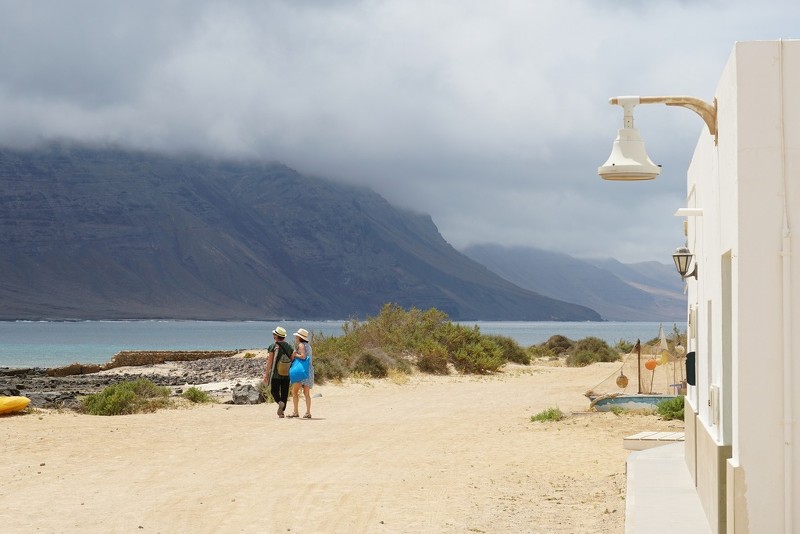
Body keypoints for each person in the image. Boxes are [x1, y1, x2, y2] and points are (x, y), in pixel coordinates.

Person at [264, 326, 293, 418]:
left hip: (275, 374)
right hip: (286, 374)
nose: (273, 335)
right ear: (283, 337)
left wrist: (266, 373)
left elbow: (270, 361)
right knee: (284, 393)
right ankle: (282, 412)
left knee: (274, 391)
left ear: (276, 336)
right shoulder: (288, 346)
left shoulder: (273, 347)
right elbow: (293, 359)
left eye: (274, 334)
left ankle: (280, 403)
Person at [287, 328, 314, 419]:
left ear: (299, 337)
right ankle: (308, 412)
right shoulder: (309, 346)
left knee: (294, 392)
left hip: (301, 371)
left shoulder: (301, 345)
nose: (296, 337)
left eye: (297, 336)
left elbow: (303, 356)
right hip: (308, 370)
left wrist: (295, 355)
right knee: (307, 393)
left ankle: (295, 411)